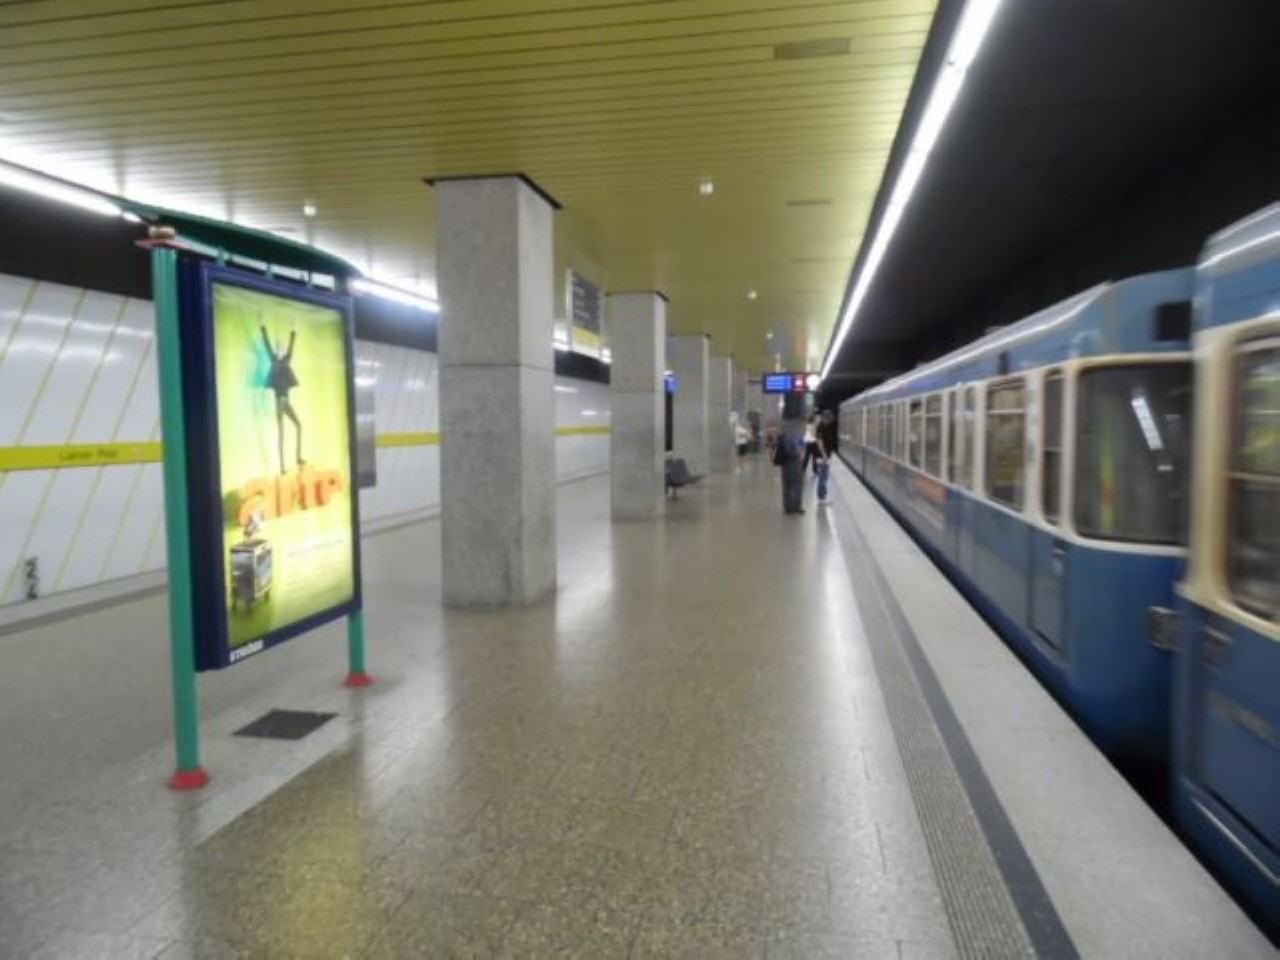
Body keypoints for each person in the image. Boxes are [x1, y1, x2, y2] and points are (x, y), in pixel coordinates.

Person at [261, 324, 304, 475]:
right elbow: (266, 344)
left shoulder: (286, 360)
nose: (280, 349)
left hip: (286, 401)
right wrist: (263, 327)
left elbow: (292, 347)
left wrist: (293, 330)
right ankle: (282, 467)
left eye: (281, 347)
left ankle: (298, 457)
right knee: (282, 432)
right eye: (278, 347)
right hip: (279, 401)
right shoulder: (273, 360)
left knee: (299, 425)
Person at [774, 428, 805, 514]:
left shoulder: (783, 433)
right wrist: (799, 452)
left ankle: (788, 507)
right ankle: (796, 507)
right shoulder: (794, 434)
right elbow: (796, 450)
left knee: (787, 485)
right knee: (797, 484)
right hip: (794, 463)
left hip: (785, 464)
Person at [815, 410, 836, 505]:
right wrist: (824, 455)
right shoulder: (821, 427)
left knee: (824, 477)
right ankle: (821, 498)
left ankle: (823, 496)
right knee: (823, 477)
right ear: (825, 418)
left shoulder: (824, 426)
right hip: (823, 456)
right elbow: (819, 441)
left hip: (825, 456)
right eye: (829, 419)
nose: (830, 421)